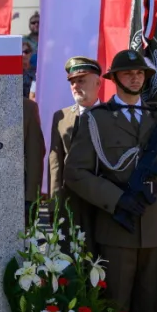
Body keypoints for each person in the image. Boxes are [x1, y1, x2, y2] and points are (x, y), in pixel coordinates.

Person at [63, 50, 157, 312]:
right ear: (113, 79)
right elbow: (75, 173)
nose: (136, 77)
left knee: (150, 310)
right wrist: (116, 198)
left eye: (140, 73)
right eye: (128, 73)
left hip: (155, 227)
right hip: (116, 227)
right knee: (115, 307)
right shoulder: (96, 120)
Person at [47, 56, 102, 240]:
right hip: (70, 203)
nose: (76, 86)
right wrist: (55, 203)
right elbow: (55, 163)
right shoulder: (61, 117)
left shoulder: (112, 115)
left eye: (82, 80)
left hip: (100, 203)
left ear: (97, 83)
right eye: (72, 82)